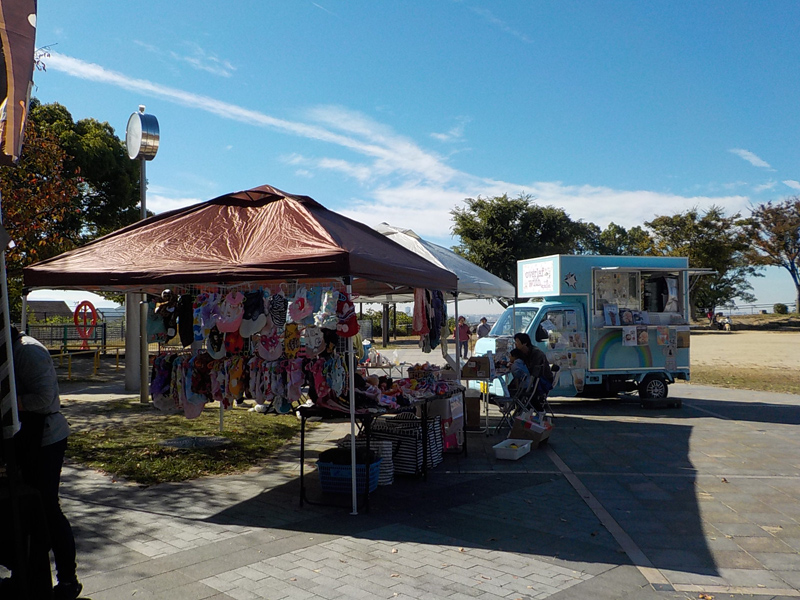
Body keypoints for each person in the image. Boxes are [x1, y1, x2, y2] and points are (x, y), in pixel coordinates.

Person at [9, 327, 82, 600]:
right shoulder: (13, 350)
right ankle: (27, 572)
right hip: (26, 438)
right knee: (27, 511)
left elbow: (44, 399)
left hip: (46, 440)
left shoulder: (28, 351)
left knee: (48, 509)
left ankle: (67, 579)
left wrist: (7, 402)